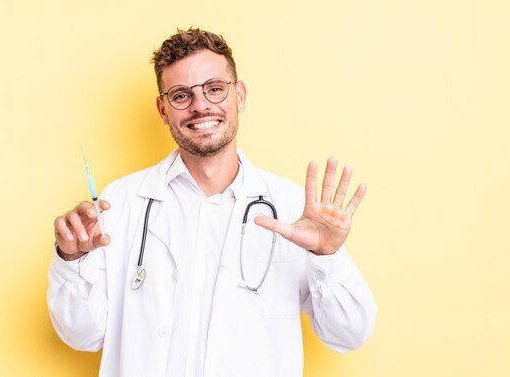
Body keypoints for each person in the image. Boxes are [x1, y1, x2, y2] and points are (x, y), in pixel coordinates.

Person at [48, 28, 377, 377]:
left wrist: (327, 257)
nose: (201, 105)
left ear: (241, 96)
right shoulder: (120, 202)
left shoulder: (292, 208)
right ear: (163, 110)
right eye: (180, 95)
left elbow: (350, 334)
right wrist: (72, 259)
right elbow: (81, 335)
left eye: (215, 89)